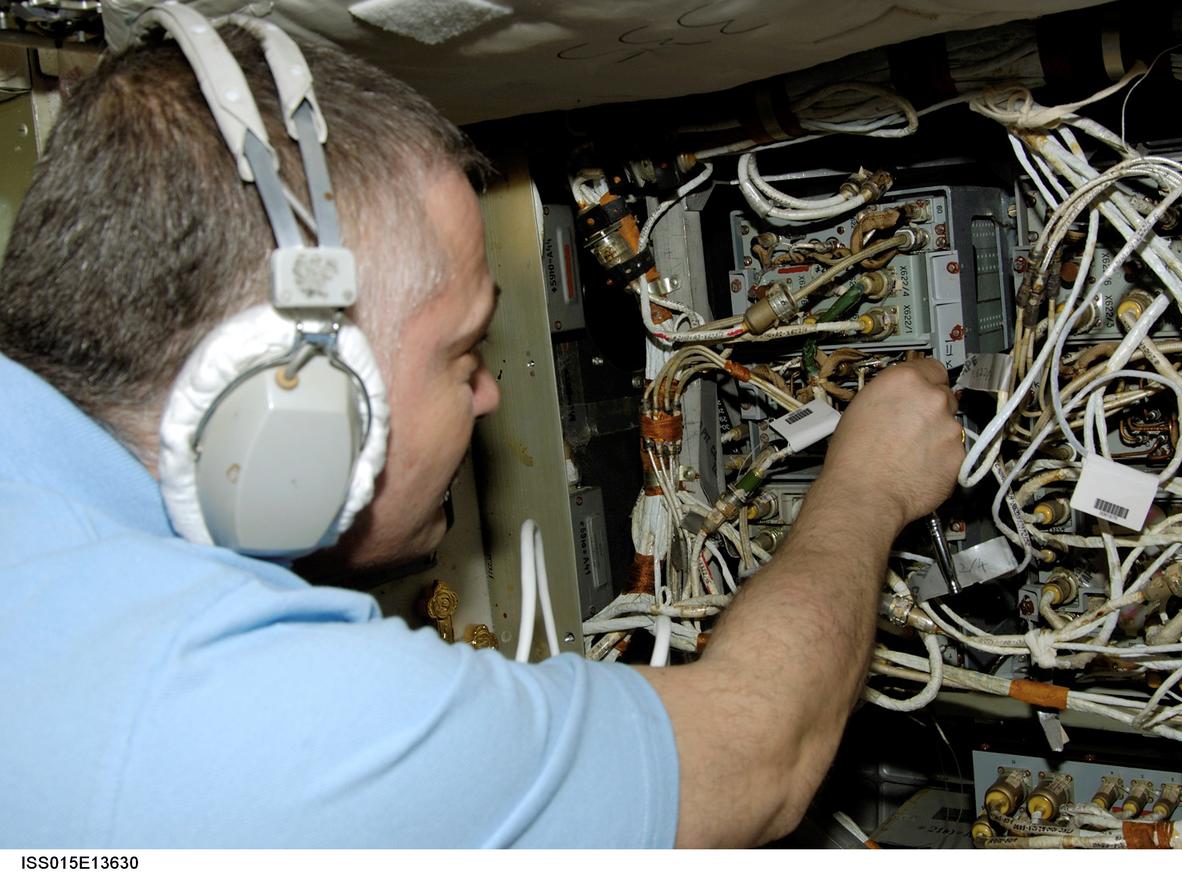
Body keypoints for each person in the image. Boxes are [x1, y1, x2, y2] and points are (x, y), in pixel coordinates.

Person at [0, 24, 963, 848]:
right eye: (463, 356)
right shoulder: (252, 709)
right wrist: (870, 484)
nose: (492, 395)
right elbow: (763, 755)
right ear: (297, 400)